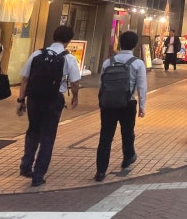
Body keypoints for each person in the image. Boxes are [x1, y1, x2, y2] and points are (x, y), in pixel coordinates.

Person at [16, 25, 81, 187]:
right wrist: (75, 97)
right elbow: (74, 82)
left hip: (34, 98)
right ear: (69, 40)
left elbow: (25, 79)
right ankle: (38, 175)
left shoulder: (37, 53)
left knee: (33, 130)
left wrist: (21, 100)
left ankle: (25, 165)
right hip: (53, 100)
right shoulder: (68, 58)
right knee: (47, 136)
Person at [94, 30, 147, 182]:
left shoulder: (107, 62)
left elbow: (101, 84)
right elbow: (142, 86)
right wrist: (142, 106)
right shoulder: (137, 63)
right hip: (127, 103)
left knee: (105, 137)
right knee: (127, 132)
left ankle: (100, 171)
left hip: (108, 104)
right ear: (135, 45)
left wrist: (102, 101)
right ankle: (128, 157)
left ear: (120, 43)